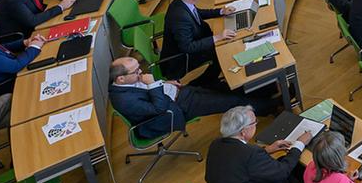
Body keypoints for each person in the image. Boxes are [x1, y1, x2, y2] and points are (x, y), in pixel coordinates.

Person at [109, 55, 264, 139]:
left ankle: (266, 95)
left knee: (225, 89)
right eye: (136, 72)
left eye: (139, 69)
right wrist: (154, 85)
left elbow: (147, 88)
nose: (141, 73)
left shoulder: (129, 82)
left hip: (180, 92)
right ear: (120, 79)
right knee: (232, 102)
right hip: (178, 108)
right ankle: (273, 104)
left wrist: (163, 82)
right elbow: (159, 108)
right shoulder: (123, 100)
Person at [163, 0, 238, 85]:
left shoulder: (181, 2)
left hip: (197, 38)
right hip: (182, 57)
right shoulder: (180, 17)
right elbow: (187, 47)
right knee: (222, 51)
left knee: (225, 42)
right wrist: (217, 37)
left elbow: (198, 13)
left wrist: (222, 11)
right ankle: (202, 84)